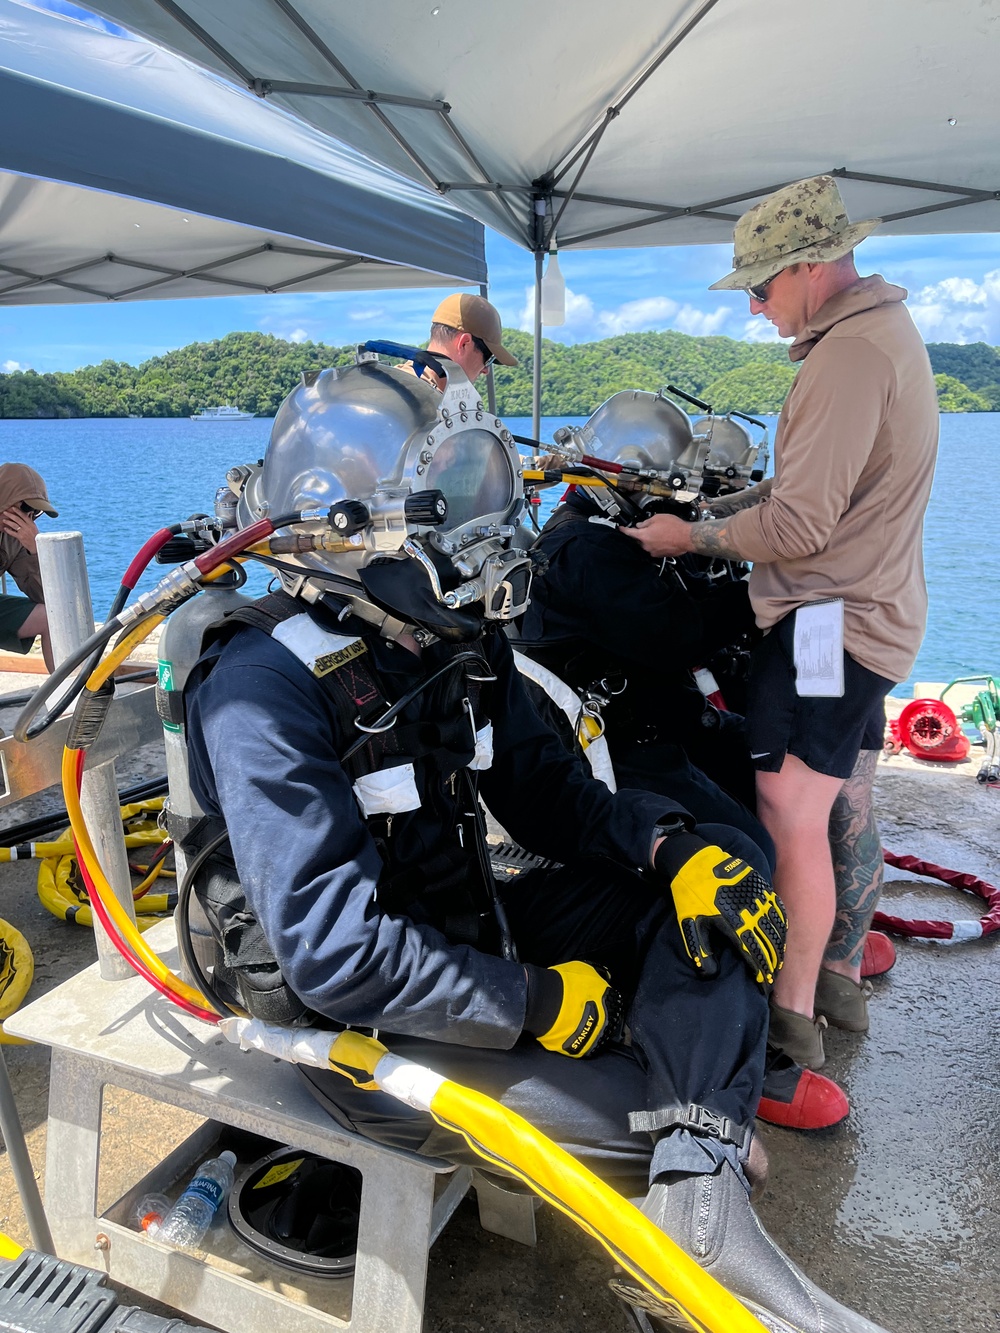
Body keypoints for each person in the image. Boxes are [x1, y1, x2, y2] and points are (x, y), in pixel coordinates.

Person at [180, 354, 891, 1333]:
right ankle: (698, 1191)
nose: (480, 563)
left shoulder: (437, 637)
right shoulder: (260, 682)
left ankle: (695, 1206)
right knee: (673, 1119)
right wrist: (536, 1002)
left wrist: (666, 850)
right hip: (350, 1019)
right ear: (358, 529)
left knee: (715, 892)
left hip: (466, 923)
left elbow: (551, 797)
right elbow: (333, 955)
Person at [622, 175, 938, 1075]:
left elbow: (800, 530)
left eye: (761, 288)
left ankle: (791, 1023)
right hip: (868, 608)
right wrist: (736, 501)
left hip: (826, 622)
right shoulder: (883, 334)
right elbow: (807, 494)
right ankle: (834, 978)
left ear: (807, 266)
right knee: (830, 800)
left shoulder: (846, 359)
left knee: (789, 813)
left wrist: (691, 534)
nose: (756, 307)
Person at [517, 481, 851, 1132]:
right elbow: (675, 634)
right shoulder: (586, 550)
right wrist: (770, 589)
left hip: (681, 719)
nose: (688, 507)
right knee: (760, 842)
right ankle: (768, 1036)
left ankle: (819, 953)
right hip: (629, 749)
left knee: (788, 790)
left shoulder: (616, 541)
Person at [0, 462, 56, 671]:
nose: (29, 517)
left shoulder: (13, 539)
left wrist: (36, 550)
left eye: (36, 512)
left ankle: (66, 695)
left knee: (52, 617)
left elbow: (45, 597)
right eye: (25, 508)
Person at [406, 291, 517, 387]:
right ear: (464, 343)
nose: (486, 370)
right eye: (488, 358)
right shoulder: (427, 402)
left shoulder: (399, 381)